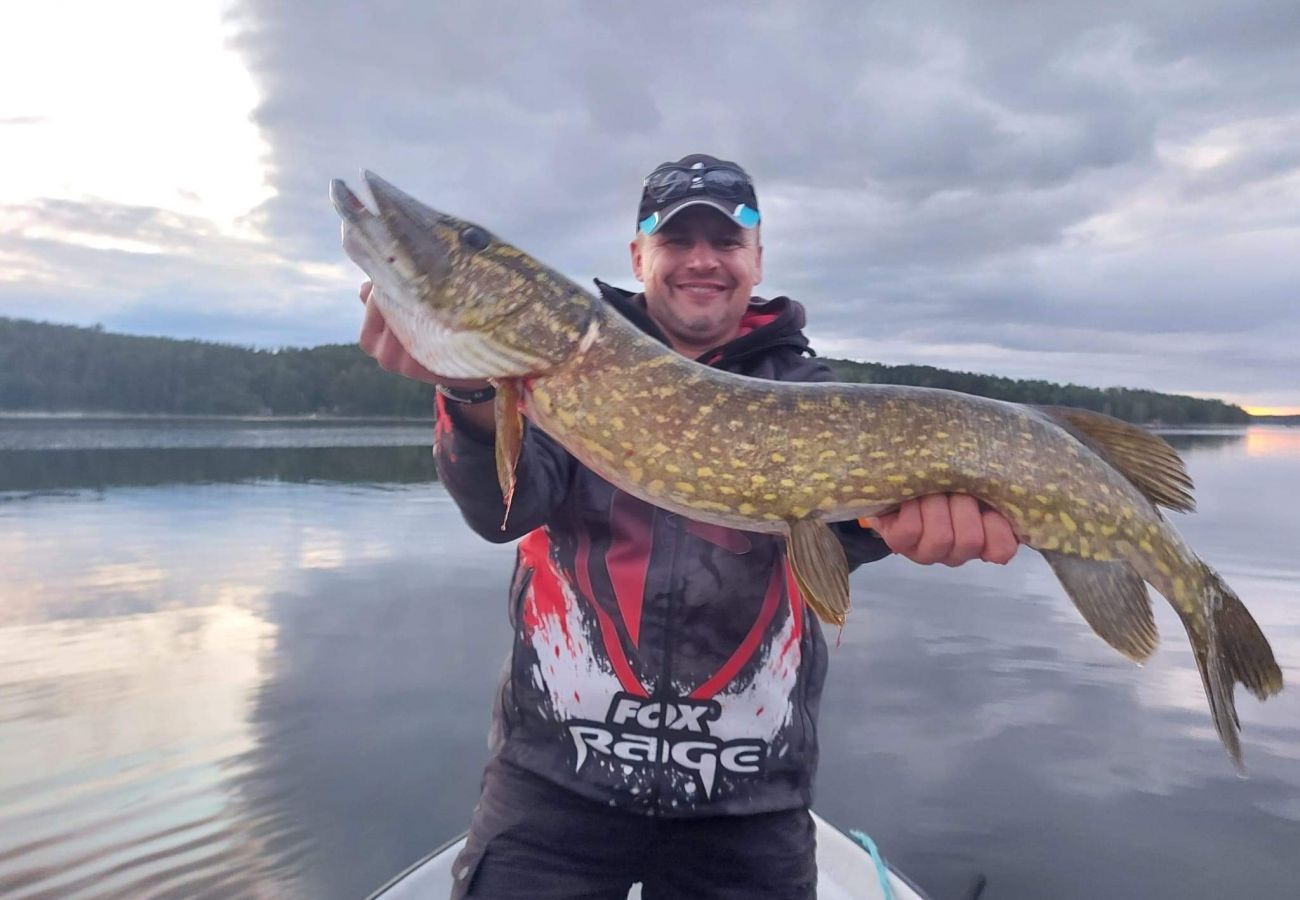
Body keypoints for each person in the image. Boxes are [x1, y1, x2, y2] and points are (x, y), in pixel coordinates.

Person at [358, 154, 1019, 899]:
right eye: (677, 241)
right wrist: (470, 384)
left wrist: (920, 527)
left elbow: (846, 537)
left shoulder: (811, 397)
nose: (702, 259)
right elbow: (502, 509)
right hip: (552, 788)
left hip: (750, 804)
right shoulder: (568, 368)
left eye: (727, 241)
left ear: (757, 260)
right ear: (639, 255)